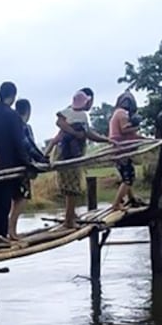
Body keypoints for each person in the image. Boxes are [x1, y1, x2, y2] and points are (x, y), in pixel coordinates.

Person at [44, 88, 115, 228]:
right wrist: (75, 134)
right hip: (70, 156)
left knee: (69, 186)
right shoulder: (79, 114)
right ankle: (69, 221)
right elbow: (81, 131)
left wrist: (106, 140)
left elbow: (86, 133)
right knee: (73, 188)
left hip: (64, 155)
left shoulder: (71, 113)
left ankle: (70, 215)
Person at [0, 82, 30, 242]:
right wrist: (27, 163)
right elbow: (18, 141)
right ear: (13, 96)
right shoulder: (12, 116)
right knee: (3, 201)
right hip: (7, 164)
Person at [8, 99, 46, 239]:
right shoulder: (23, 126)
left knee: (15, 198)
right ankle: (12, 230)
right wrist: (42, 160)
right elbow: (29, 146)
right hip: (22, 166)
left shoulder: (11, 124)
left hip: (10, 165)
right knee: (22, 198)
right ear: (27, 111)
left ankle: (11, 229)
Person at [109, 91, 146, 210]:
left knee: (127, 173)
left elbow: (130, 134)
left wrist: (145, 139)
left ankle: (131, 198)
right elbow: (125, 130)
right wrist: (137, 126)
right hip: (121, 149)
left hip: (120, 148)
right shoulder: (122, 114)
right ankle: (116, 204)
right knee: (128, 177)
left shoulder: (117, 113)